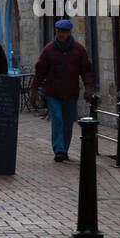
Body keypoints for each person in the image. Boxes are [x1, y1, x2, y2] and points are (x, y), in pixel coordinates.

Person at [31, 18, 94, 161]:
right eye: (59, 31)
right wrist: (34, 90)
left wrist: (88, 87)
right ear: (56, 31)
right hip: (53, 92)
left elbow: (86, 70)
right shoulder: (49, 50)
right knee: (57, 118)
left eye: (64, 32)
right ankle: (58, 149)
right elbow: (40, 71)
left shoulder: (78, 50)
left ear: (69, 32)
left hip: (71, 92)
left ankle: (64, 149)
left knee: (68, 122)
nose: (61, 34)